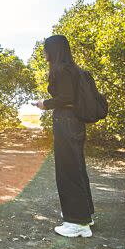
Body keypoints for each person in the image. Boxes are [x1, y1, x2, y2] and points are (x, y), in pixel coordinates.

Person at [35, 35, 95, 237]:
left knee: (67, 169)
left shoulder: (61, 70)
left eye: (45, 49)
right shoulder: (74, 70)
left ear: (54, 50)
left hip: (66, 122)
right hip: (76, 122)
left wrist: (45, 104)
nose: (44, 53)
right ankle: (85, 214)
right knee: (77, 167)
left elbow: (66, 98)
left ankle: (77, 222)